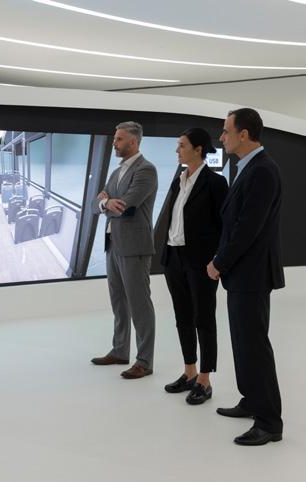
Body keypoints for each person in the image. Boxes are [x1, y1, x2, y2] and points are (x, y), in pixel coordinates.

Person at [207, 108, 284, 446]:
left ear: (244, 134)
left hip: (251, 273)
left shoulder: (263, 170)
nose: (221, 137)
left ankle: (269, 422)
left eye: (226, 131)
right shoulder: (248, 167)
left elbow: (247, 228)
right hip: (242, 273)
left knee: (254, 345)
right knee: (242, 341)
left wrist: (219, 262)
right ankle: (252, 400)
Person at [162, 128, 228, 404]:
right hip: (174, 257)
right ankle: (189, 371)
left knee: (204, 318)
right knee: (183, 317)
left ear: (198, 149)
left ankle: (204, 379)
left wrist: (218, 259)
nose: (177, 150)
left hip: (201, 262)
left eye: (182, 145)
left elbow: (225, 226)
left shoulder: (215, 183)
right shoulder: (178, 181)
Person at [91, 121, 158, 379]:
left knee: (139, 304)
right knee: (118, 301)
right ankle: (120, 350)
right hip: (114, 244)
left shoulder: (146, 170)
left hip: (134, 247)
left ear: (133, 141)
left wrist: (106, 201)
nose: (114, 143)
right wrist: (106, 202)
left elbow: (126, 206)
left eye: (119, 139)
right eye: (114, 139)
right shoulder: (117, 172)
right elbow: (96, 204)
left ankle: (145, 361)